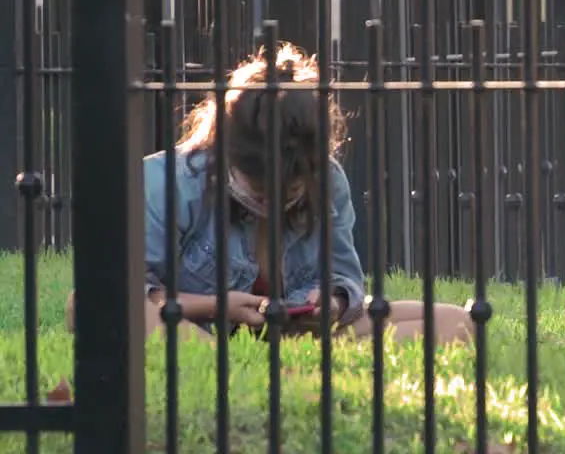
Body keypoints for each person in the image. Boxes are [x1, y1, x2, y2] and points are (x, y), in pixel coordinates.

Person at [64, 43, 474, 347]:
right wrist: (215, 306)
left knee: (458, 322)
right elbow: (124, 289)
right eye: (261, 187)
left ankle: (287, 361)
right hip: (194, 326)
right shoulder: (165, 181)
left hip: (293, 333)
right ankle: (225, 363)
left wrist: (329, 302)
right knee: (91, 306)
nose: (274, 201)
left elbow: (344, 276)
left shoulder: (328, 180)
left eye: (291, 188)